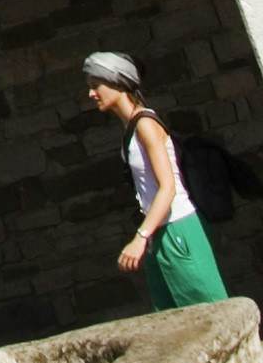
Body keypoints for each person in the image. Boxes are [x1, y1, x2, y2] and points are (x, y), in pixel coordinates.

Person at [82, 52, 229, 307]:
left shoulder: (145, 125)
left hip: (177, 229)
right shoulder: (131, 128)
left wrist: (140, 237)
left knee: (211, 313)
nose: (91, 94)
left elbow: (168, 188)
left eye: (96, 86)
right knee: (173, 319)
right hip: (158, 233)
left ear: (117, 82)